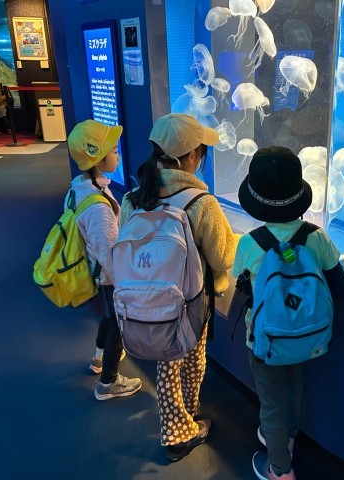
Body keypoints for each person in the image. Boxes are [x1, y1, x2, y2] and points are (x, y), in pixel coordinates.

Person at [119, 113, 236, 461]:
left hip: (143, 297)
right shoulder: (201, 203)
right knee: (186, 359)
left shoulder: (133, 199)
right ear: (192, 156)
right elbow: (222, 257)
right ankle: (177, 432)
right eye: (201, 153)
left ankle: (185, 415)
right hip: (189, 302)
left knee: (168, 359)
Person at [233, 146, 344, 480]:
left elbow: (244, 289)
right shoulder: (317, 237)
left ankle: (280, 469)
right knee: (295, 386)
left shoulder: (249, 244)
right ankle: (289, 440)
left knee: (271, 404)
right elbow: (340, 284)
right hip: (307, 339)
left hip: (265, 342)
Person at [67, 119, 142, 401]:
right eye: (113, 150)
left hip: (95, 272)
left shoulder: (81, 188)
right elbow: (109, 253)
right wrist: (125, 285)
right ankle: (108, 383)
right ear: (97, 158)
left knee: (109, 318)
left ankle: (99, 358)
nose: (117, 155)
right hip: (109, 277)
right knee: (118, 327)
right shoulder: (98, 207)